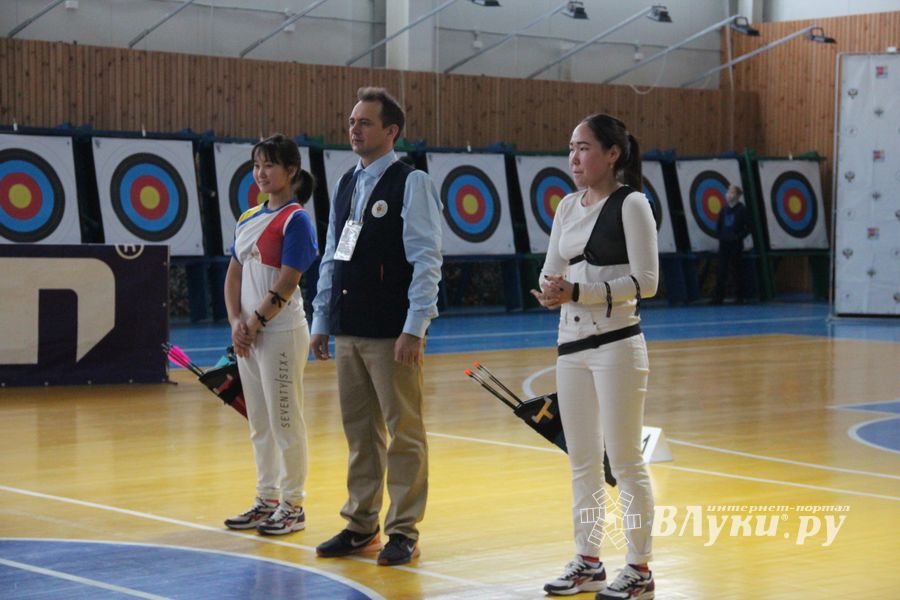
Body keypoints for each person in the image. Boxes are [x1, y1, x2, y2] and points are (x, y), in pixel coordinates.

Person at [310, 87, 443, 566]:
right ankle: (360, 524)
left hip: (392, 333)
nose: (354, 129)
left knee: (403, 431)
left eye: (364, 122)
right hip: (348, 328)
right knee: (360, 432)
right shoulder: (346, 181)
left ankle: (403, 530)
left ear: (391, 131)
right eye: (351, 121)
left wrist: (415, 326)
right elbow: (332, 254)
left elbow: (427, 259)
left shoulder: (412, 183)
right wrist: (321, 319)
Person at [530, 114, 657, 599]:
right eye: (571, 147)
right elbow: (551, 270)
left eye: (584, 148)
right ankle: (588, 560)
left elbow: (648, 283)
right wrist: (548, 291)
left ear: (612, 154)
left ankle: (640, 569)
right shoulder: (566, 206)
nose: (574, 158)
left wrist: (577, 291)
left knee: (624, 461)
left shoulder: (632, 204)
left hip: (618, 346)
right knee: (581, 460)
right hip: (571, 349)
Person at [223, 134, 319, 536]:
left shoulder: (296, 219)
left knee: (284, 420)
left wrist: (255, 322)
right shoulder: (249, 217)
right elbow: (234, 272)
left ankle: (293, 504)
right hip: (249, 335)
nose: (261, 173)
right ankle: (267, 499)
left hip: (279, 333)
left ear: (291, 171)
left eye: (270, 165)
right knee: (259, 422)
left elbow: (289, 279)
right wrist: (234, 322)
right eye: (256, 165)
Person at [713, 184, 751, 304]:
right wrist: (720, 236)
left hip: (736, 244)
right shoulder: (724, 209)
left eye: (732, 193)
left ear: (738, 196)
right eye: (728, 192)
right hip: (724, 244)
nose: (729, 195)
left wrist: (738, 237)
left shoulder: (742, 209)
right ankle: (718, 297)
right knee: (721, 270)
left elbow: (748, 227)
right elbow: (718, 226)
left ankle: (740, 296)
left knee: (737, 270)